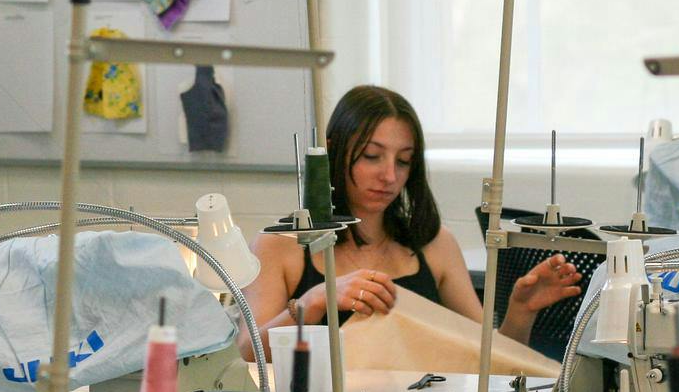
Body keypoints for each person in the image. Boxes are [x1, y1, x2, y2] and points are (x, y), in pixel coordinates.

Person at [240, 85, 582, 359]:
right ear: (332, 151)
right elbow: (248, 351)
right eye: (372, 156)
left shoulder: (435, 244)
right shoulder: (280, 245)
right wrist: (314, 302)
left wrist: (521, 311)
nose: (389, 175)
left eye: (403, 161)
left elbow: (488, 360)